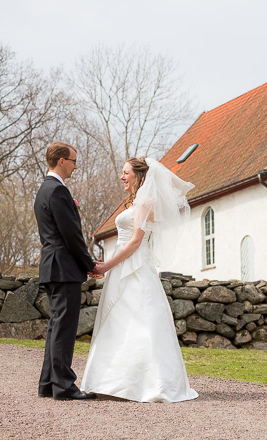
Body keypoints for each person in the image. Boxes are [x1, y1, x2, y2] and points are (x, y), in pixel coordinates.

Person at [81, 157, 198, 403]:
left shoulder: (145, 202)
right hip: (121, 265)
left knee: (141, 320)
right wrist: (108, 265)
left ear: (139, 176)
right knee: (118, 320)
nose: (122, 177)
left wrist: (105, 266)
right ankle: (110, 381)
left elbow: (134, 242)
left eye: (126, 173)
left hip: (135, 266)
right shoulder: (134, 202)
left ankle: (146, 383)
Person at [34, 141, 106, 401]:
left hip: (53, 267)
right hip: (63, 268)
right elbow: (71, 236)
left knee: (56, 326)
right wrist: (89, 264)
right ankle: (64, 386)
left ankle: (47, 384)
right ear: (61, 161)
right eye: (74, 161)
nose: (76, 166)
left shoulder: (44, 190)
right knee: (63, 328)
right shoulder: (57, 191)